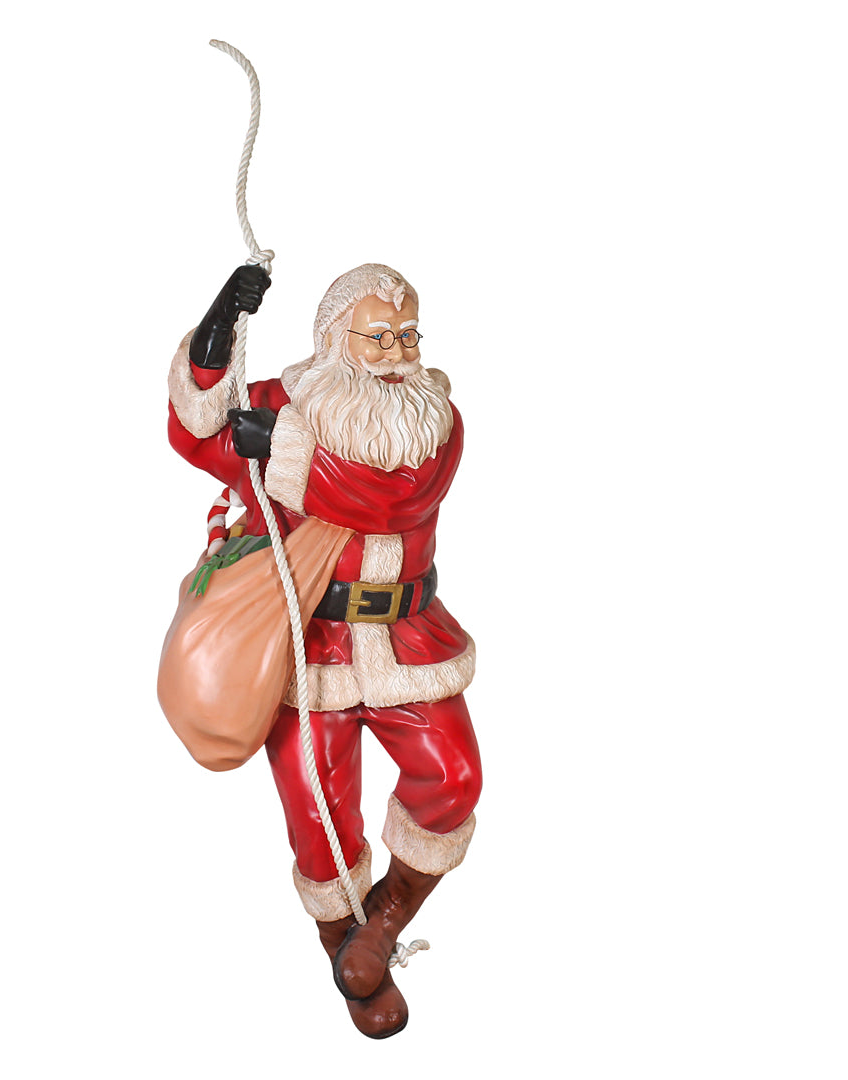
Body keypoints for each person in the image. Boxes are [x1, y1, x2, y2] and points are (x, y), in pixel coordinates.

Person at [167, 263, 482, 1038]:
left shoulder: (432, 422)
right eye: (379, 338)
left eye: (407, 335)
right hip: (310, 645)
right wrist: (218, 327)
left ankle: (385, 919)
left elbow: (393, 497)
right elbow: (196, 430)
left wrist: (282, 446)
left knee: (453, 776)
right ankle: (345, 945)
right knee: (318, 816)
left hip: (408, 639)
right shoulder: (282, 408)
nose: (398, 352)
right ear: (336, 340)